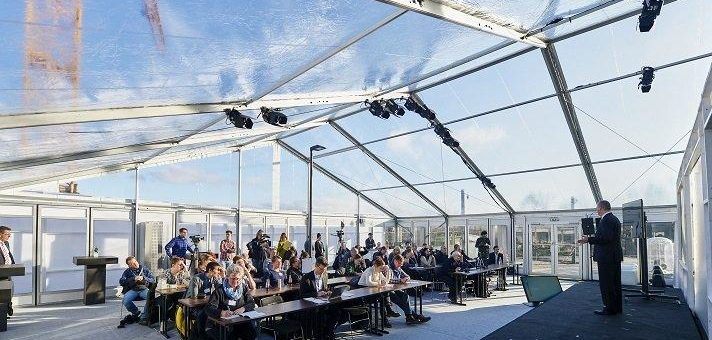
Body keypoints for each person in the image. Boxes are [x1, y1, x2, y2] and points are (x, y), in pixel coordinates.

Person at [578, 200, 623, 316]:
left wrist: (589, 239)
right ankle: (616, 307)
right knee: (615, 284)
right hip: (613, 257)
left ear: (602, 208)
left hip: (606, 258)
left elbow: (605, 238)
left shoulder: (606, 220)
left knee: (607, 284)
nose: (596, 211)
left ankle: (609, 308)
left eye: (597, 208)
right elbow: (608, 237)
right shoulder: (614, 219)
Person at [205, 265, 258, 340]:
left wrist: (243, 308)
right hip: (220, 325)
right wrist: (222, 312)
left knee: (251, 333)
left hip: (239, 322)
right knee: (229, 337)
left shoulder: (243, 288)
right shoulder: (219, 291)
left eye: (238, 279)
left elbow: (251, 302)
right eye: (233, 278)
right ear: (227, 277)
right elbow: (208, 309)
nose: (235, 281)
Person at [299, 256, 337, 339]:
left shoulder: (324, 275)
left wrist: (327, 292)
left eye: (324, 269)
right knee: (319, 315)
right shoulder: (306, 278)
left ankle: (328, 332)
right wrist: (316, 294)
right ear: (316, 266)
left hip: (322, 303)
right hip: (310, 305)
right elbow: (302, 295)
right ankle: (319, 335)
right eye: (321, 269)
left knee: (337, 312)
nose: (322, 271)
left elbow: (324, 288)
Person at [389, 255, 431, 324]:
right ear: (395, 261)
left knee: (405, 295)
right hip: (389, 290)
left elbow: (407, 276)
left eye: (401, 264)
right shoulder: (389, 269)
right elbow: (389, 280)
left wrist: (406, 278)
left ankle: (410, 317)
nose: (400, 266)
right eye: (399, 263)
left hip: (397, 289)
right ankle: (415, 316)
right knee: (401, 301)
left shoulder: (399, 268)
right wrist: (400, 280)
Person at [119, 256, 155, 325]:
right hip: (133, 290)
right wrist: (133, 278)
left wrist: (144, 278)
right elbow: (121, 281)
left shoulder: (144, 269)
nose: (135, 264)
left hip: (143, 289)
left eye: (135, 261)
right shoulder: (127, 272)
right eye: (132, 263)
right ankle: (136, 312)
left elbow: (153, 279)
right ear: (129, 265)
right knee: (125, 301)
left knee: (151, 297)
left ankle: (144, 315)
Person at [0, 225, 16, 317]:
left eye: (10, 235)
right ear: (0, 234)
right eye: (7, 234)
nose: (9, 236)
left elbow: (9, 255)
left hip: (8, 272)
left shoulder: (6, 243)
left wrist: (14, 266)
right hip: (1, 273)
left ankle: (7, 307)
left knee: (9, 292)